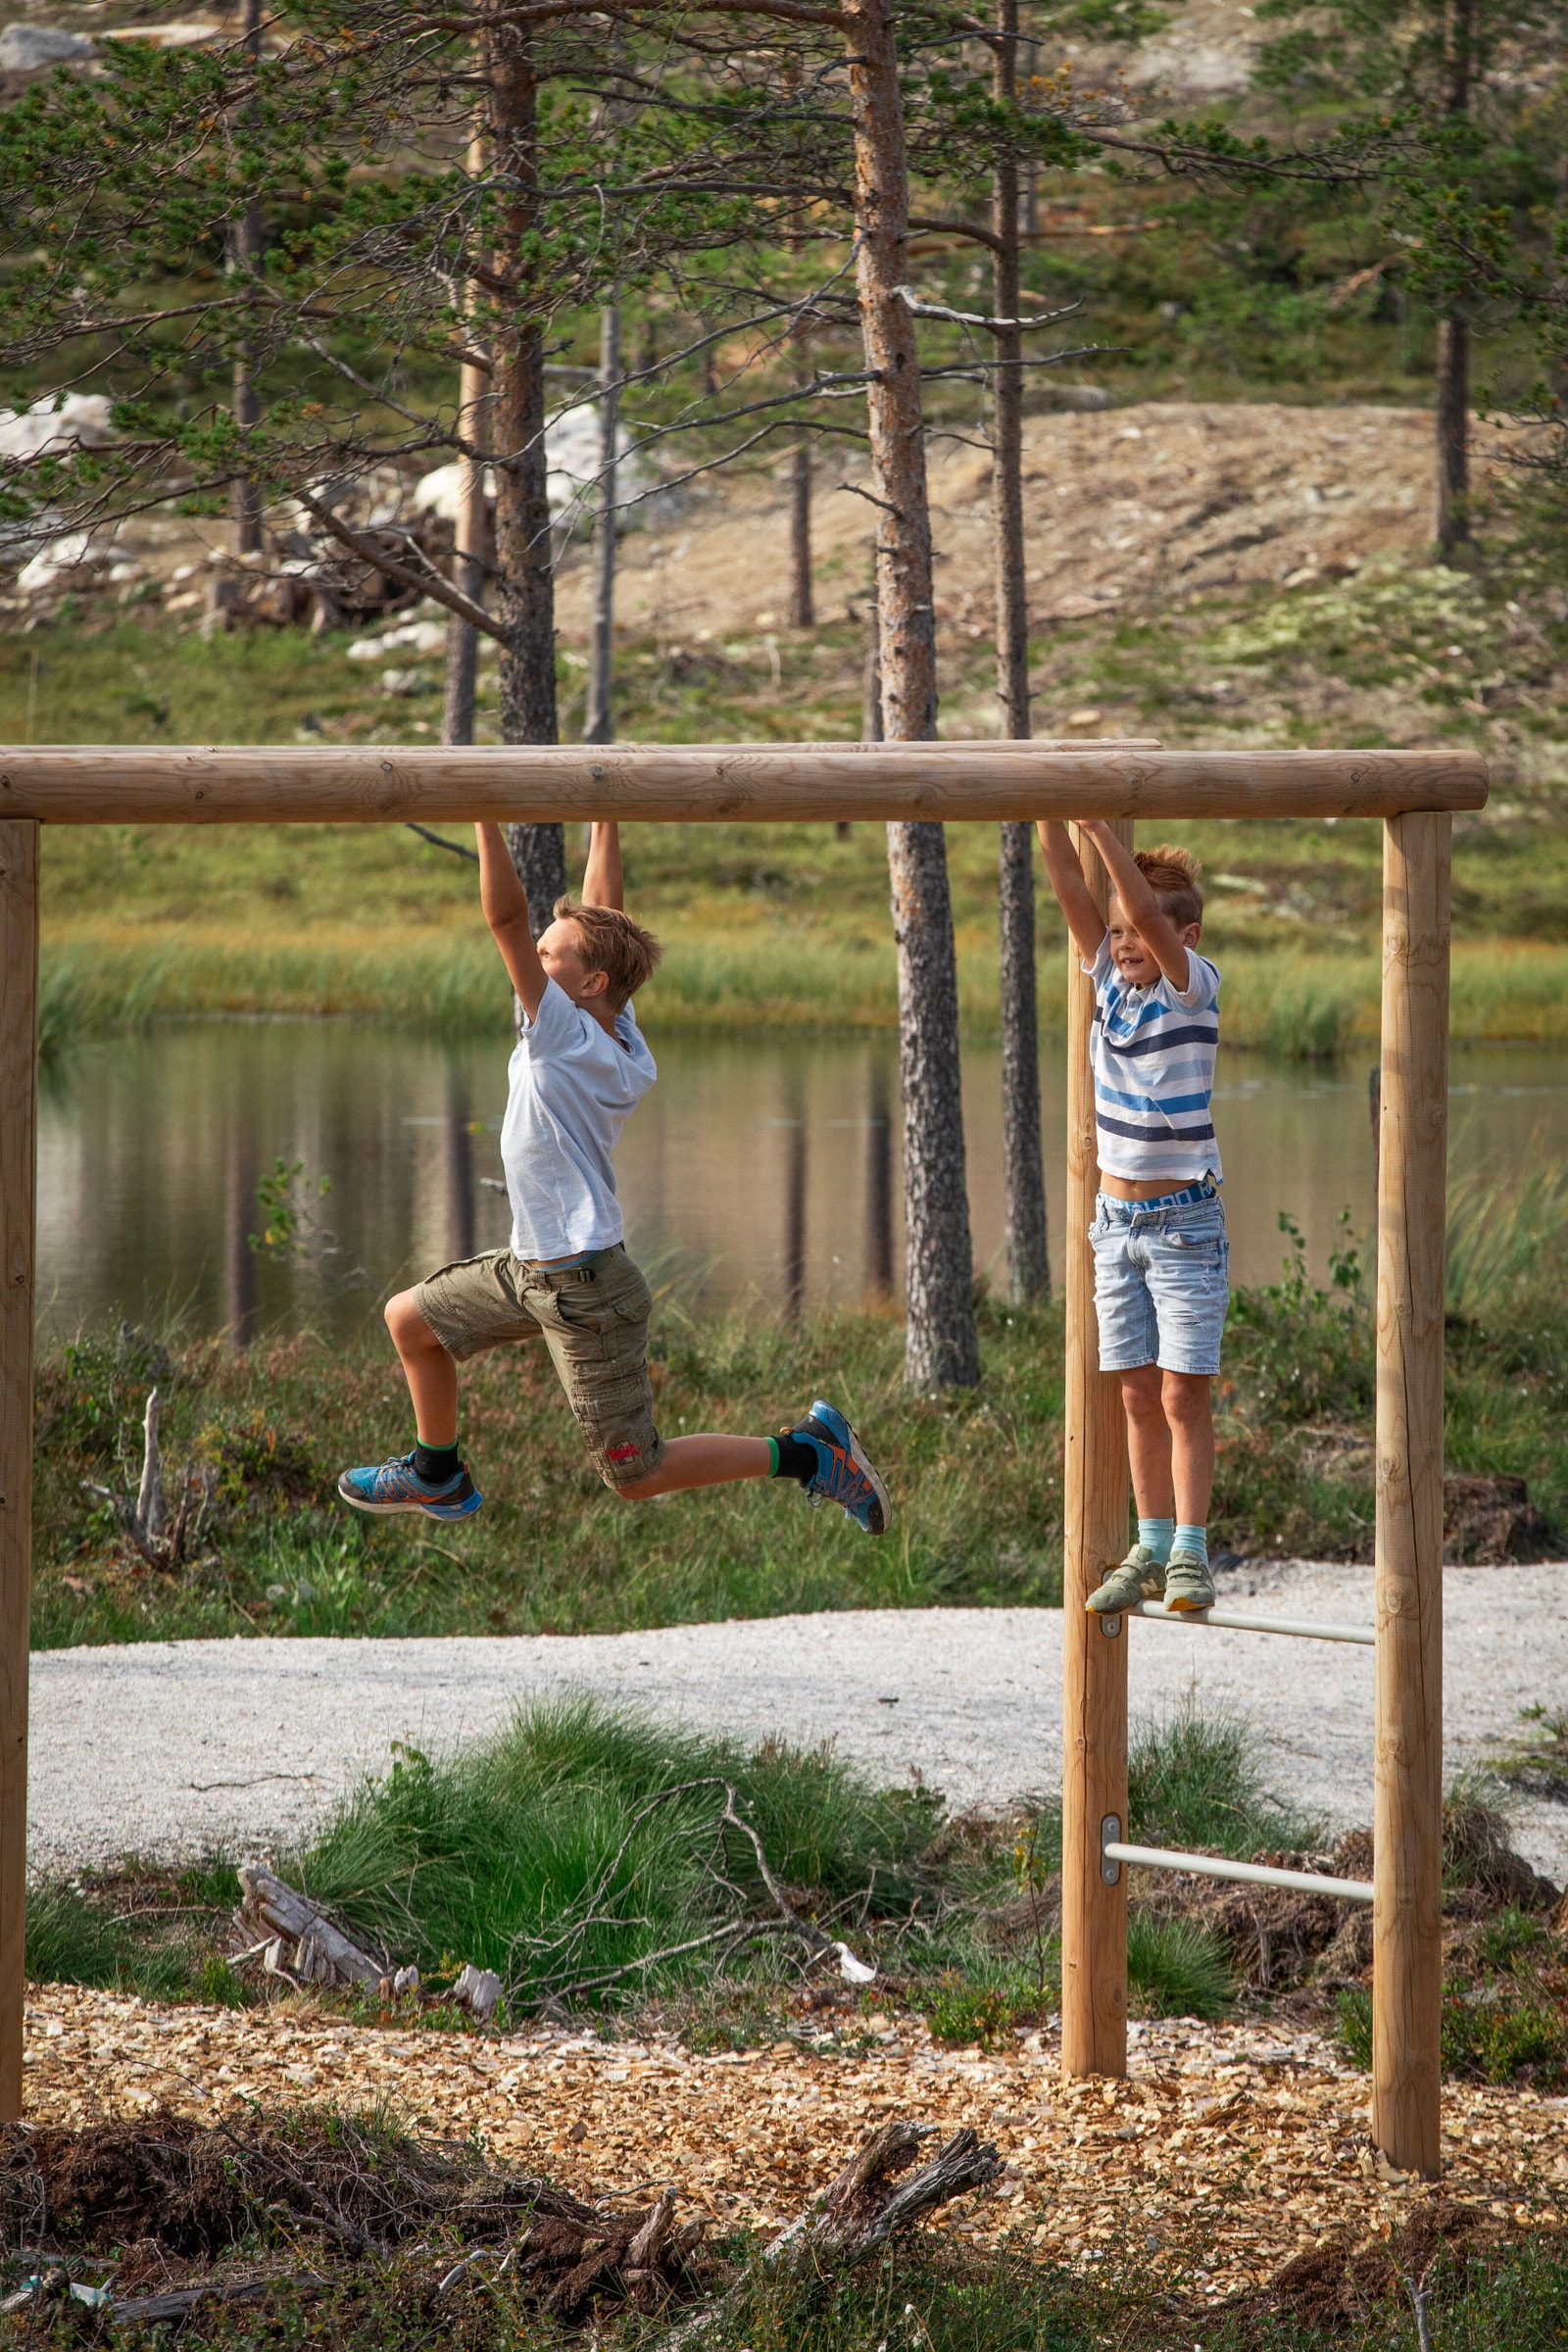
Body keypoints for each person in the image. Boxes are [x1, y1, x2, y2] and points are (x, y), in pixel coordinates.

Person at [337, 820, 890, 1536]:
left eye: (546, 955)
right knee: (408, 1321)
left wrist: (481, 813)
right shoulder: (613, 1030)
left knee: (637, 1475)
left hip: (584, 1291)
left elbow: (503, 918)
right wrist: (606, 818)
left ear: (588, 984)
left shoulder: (563, 1034)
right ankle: (436, 1473)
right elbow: (603, 920)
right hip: (532, 1270)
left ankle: (807, 1455)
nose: (531, 961)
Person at [1038, 819, 1226, 1613]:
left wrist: (1102, 830)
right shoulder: (1109, 984)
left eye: (1137, 931)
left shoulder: (1193, 985)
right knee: (1136, 1399)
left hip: (1184, 1225)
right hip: (1116, 1227)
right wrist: (1050, 810)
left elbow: (1144, 913)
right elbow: (1070, 890)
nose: (1122, 942)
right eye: (1113, 934)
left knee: (1183, 1397)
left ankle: (1191, 1553)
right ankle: (1148, 1546)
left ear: (1183, 936)